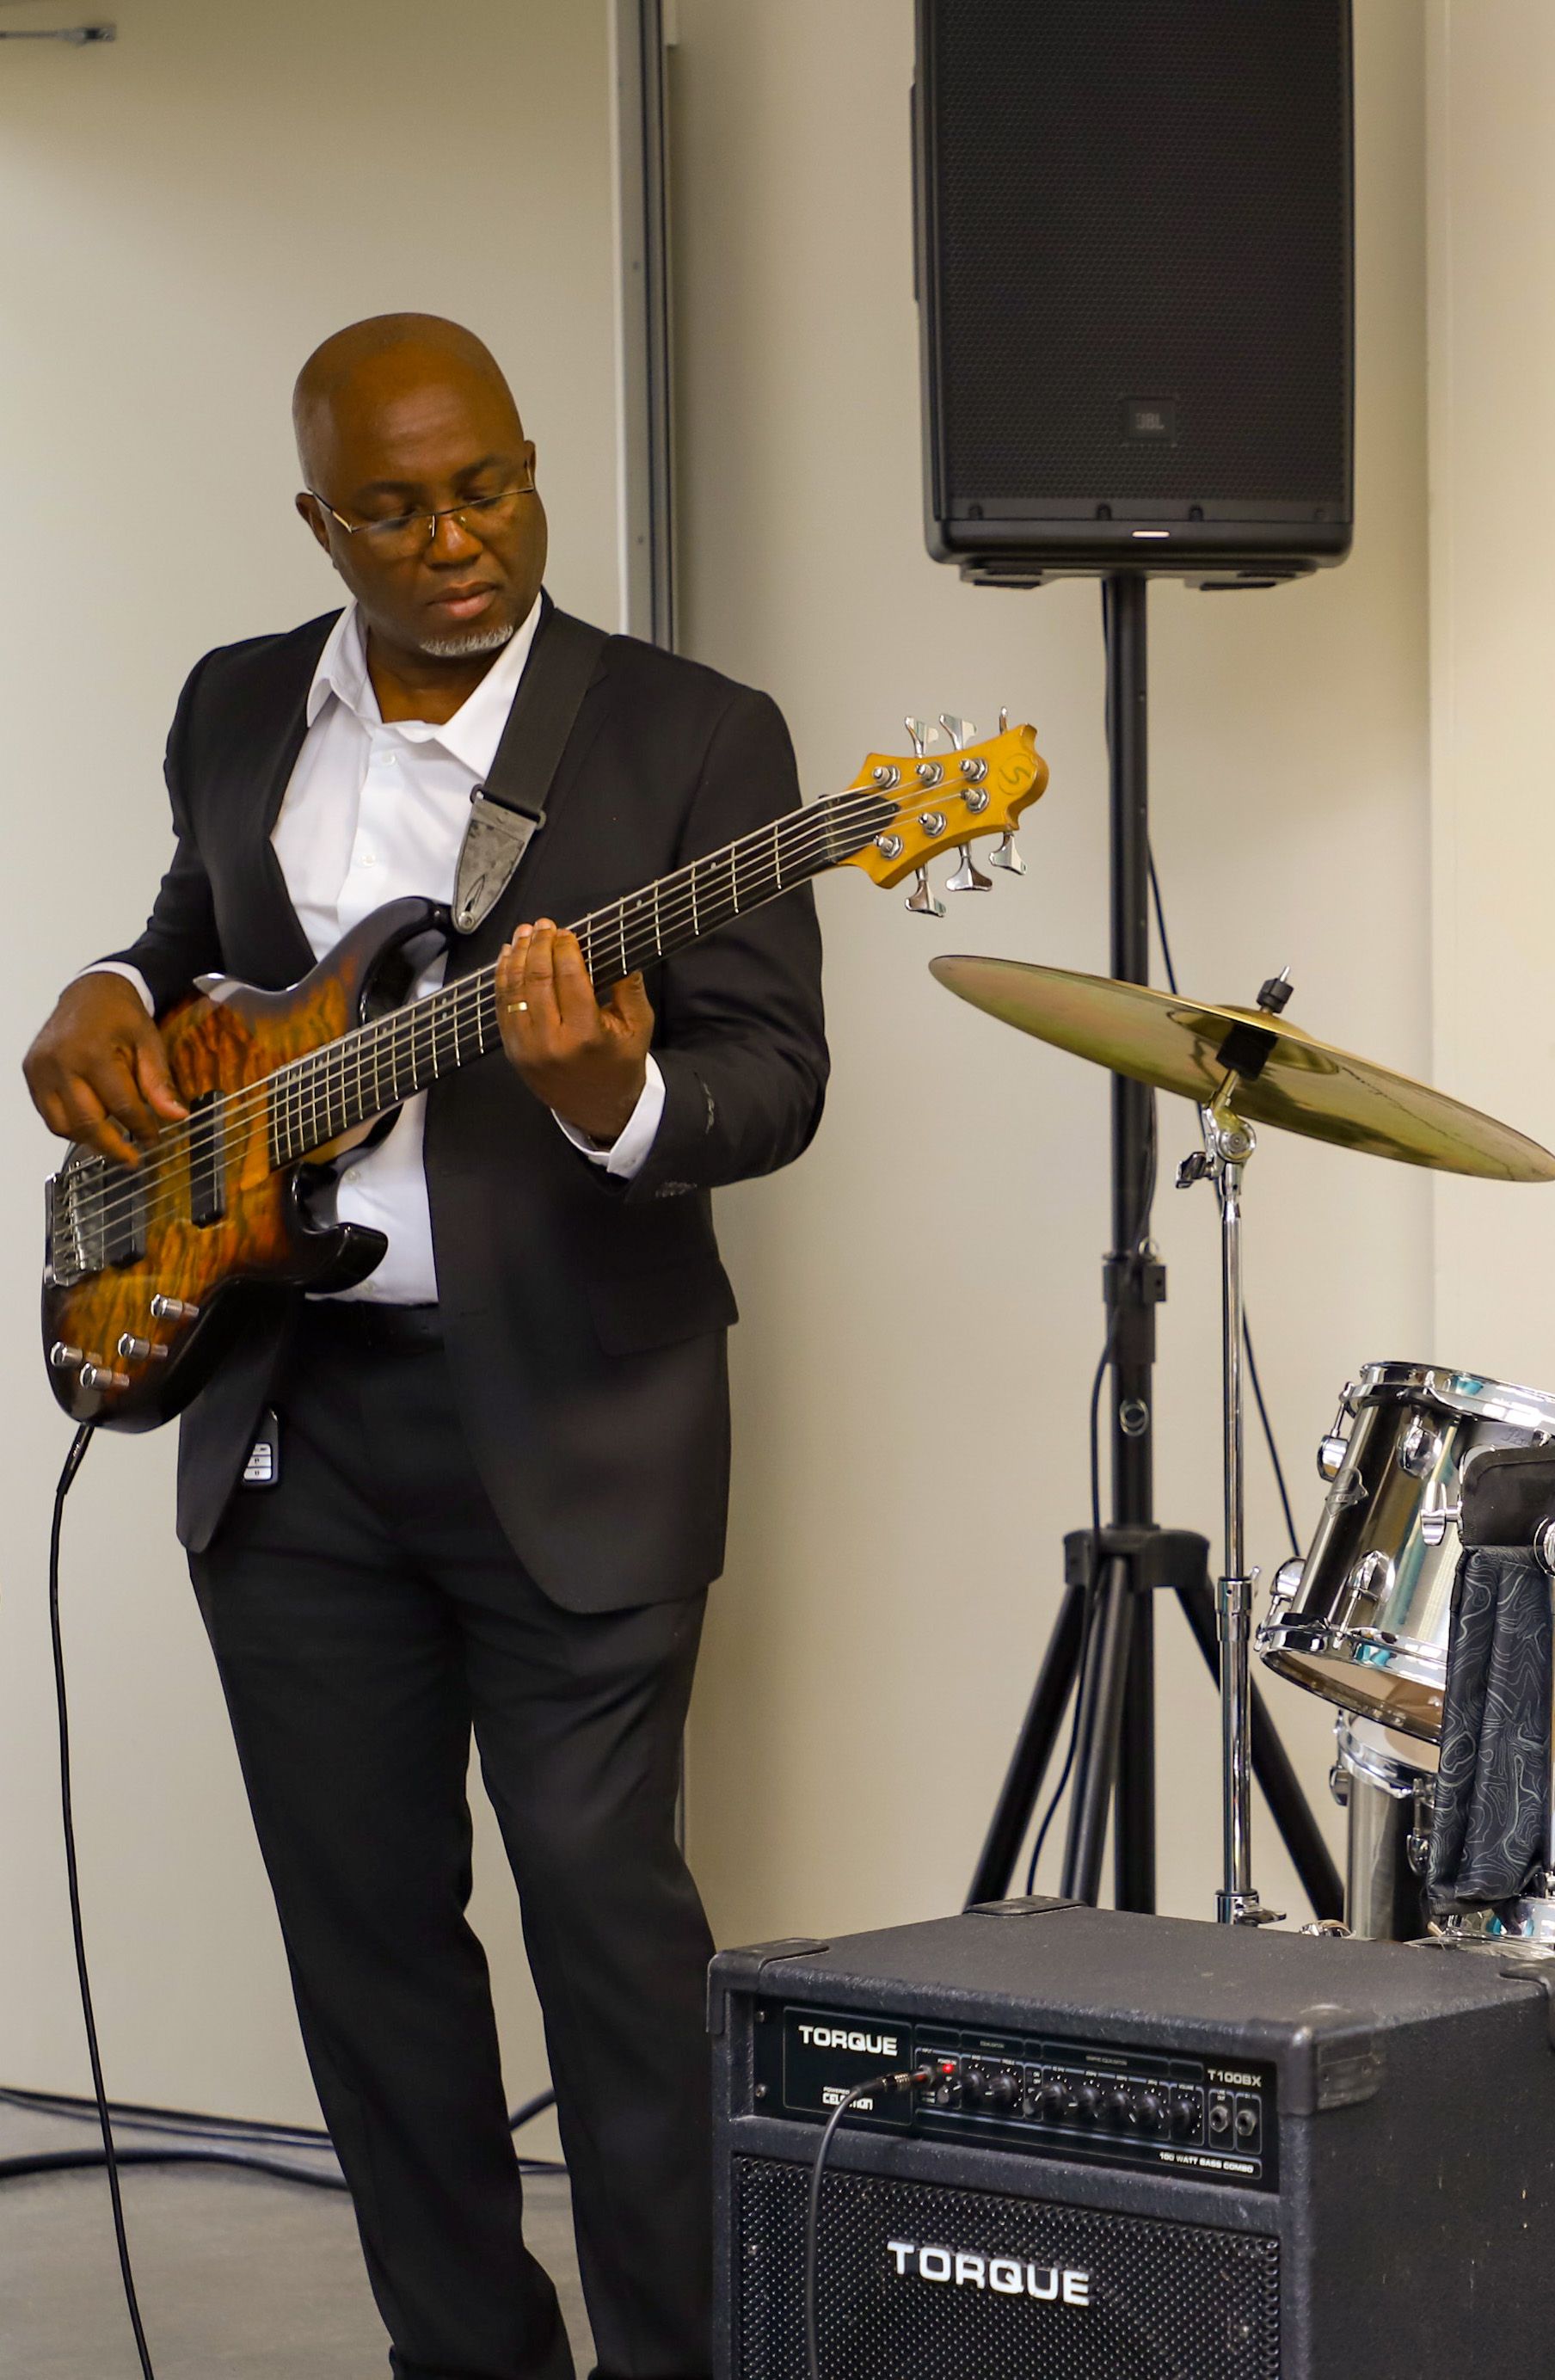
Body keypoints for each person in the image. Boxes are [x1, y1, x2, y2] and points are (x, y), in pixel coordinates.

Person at [20, 315, 829, 2380]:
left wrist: (606, 1093)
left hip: (577, 1421)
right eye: (395, 510)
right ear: (322, 523)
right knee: (367, 1955)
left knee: (611, 1938)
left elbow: (773, 1078)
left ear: (529, 472)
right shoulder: (236, 700)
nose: (457, 539)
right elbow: (196, 932)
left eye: (489, 489)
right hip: (282, 1418)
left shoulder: (692, 736)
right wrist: (108, 984)